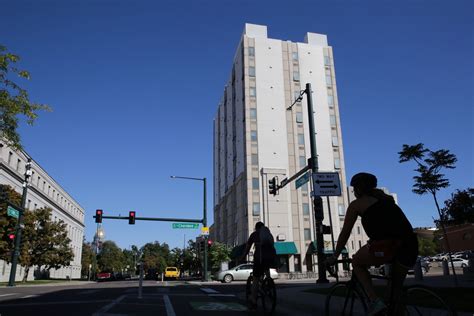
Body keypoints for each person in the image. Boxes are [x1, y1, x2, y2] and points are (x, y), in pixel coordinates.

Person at [326, 172, 418, 316]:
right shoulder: (387, 200)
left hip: (388, 246)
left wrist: (334, 256)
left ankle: (374, 301)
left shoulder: (357, 204)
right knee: (395, 290)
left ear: (357, 189)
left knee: (356, 261)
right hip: (410, 244)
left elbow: (345, 233)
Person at [240, 221, 277, 309]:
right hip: (270, 258)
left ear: (256, 228)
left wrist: (242, 257)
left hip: (259, 259)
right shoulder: (269, 235)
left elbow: (247, 249)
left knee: (255, 279)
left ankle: (253, 301)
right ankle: (269, 282)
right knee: (266, 267)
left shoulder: (254, 234)